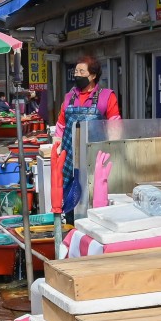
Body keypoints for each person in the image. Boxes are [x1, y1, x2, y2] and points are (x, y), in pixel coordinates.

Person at [53, 56, 121, 209]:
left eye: (82, 71)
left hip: (95, 156)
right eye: (76, 71)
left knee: (93, 195)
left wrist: (114, 151)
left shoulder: (106, 96)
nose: (77, 75)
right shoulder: (69, 97)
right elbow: (60, 125)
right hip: (69, 158)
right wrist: (56, 147)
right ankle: (70, 227)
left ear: (93, 75)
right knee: (69, 200)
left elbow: (115, 125)